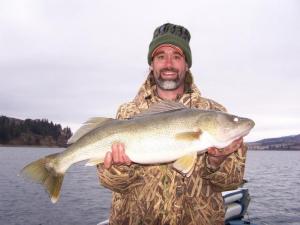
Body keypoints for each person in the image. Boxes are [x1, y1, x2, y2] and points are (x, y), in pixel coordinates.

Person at [97, 23, 247, 225]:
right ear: (151, 64)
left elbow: (232, 182)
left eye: (177, 56)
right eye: (161, 56)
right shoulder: (127, 113)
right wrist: (118, 168)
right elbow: (112, 183)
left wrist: (215, 163)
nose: (168, 64)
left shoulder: (216, 112)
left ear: (187, 64)